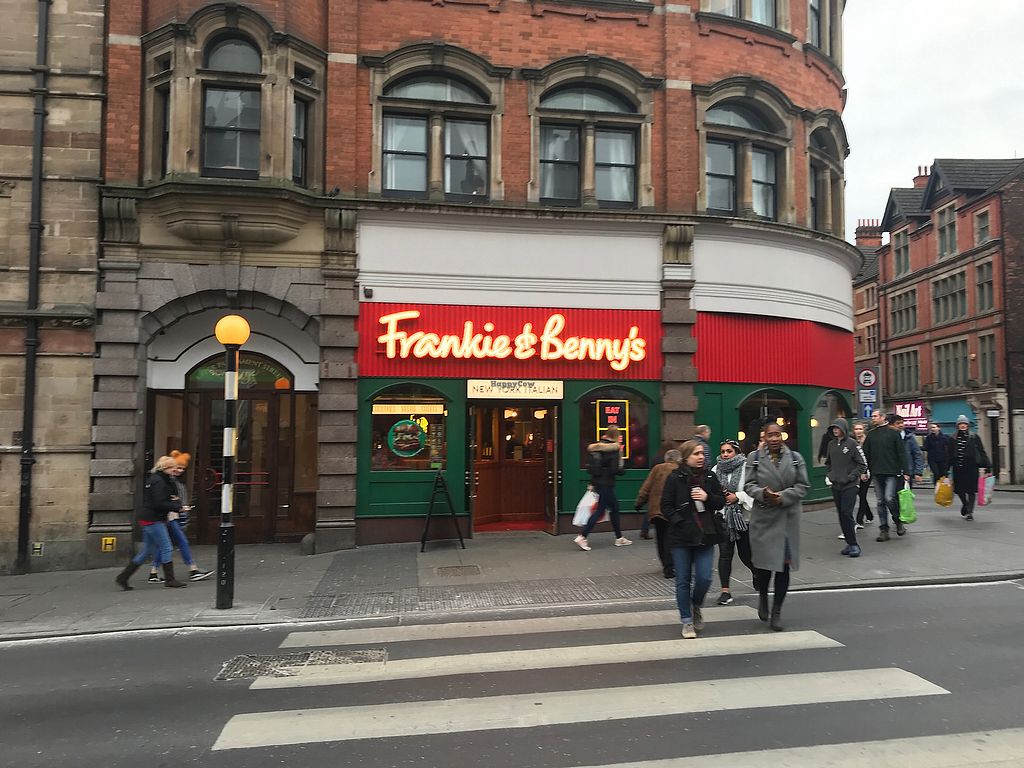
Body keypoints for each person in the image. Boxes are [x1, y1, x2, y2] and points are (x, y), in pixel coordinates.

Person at [744, 423, 808, 631]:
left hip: (787, 519)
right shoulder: (754, 458)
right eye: (770, 435)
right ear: (764, 437)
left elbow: (803, 486)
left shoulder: (796, 458)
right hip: (764, 519)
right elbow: (748, 485)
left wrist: (782, 497)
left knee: (783, 567)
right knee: (763, 567)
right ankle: (763, 596)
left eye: (777, 435)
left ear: (782, 436)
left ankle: (777, 611)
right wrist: (763, 494)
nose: (774, 438)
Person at [660, 440, 726, 639]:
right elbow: (666, 505)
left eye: (702, 453)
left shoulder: (710, 476)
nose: (701, 457)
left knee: (705, 578)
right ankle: (687, 620)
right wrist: (679, 521)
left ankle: (696, 605)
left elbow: (720, 501)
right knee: (683, 580)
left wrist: (707, 497)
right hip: (681, 537)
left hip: (706, 534)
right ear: (686, 457)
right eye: (696, 454)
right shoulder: (675, 478)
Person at [115, 455, 187, 590]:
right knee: (167, 547)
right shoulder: (159, 481)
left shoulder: (158, 479)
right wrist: (177, 507)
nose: (175, 470)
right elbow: (159, 503)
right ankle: (170, 579)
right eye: (173, 467)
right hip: (154, 519)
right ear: (166, 468)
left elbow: (165, 498)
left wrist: (174, 500)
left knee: (146, 551)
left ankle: (123, 577)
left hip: (148, 518)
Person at [146, 450, 212, 583]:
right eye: (177, 467)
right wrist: (178, 506)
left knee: (165, 545)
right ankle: (192, 570)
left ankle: (154, 572)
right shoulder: (165, 480)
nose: (179, 470)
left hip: (170, 515)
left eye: (182, 468)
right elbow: (166, 499)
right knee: (180, 542)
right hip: (169, 516)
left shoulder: (170, 479)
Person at [712, 439, 756, 605]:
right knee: (725, 555)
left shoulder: (747, 468)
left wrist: (738, 497)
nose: (725, 454)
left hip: (743, 519)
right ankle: (725, 591)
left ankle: (756, 573)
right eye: (723, 451)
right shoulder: (715, 469)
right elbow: (711, 493)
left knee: (746, 554)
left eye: (729, 451)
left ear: (736, 452)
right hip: (723, 518)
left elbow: (753, 491)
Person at [575, 425, 631, 551]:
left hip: (598, 482)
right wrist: (623, 470)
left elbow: (594, 468)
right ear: (616, 435)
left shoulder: (597, 447)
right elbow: (615, 469)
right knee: (600, 510)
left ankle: (619, 537)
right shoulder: (614, 449)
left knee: (614, 508)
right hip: (607, 483)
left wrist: (592, 482)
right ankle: (582, 536)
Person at [635, 449, 682, 578]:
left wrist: (639, 502)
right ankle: (671, 566)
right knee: (671, 538)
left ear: (666, 458)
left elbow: (646, 488)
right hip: (674, 511)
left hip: (657, 510)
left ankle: (666, 565)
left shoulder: (657, 469)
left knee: (661, 538)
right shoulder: (680, 470)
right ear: (679, 459)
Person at [863, 413, 910, 542]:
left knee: (889, 498)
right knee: (880, 501)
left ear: (883, 417)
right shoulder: (871, 434)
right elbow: (865, 454)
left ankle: (897, 520)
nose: (873, 418)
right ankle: (884, 529)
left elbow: (901, 453)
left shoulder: (893, 433)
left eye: (875, 416)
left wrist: (906, 471)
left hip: (891, 472)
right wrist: (864, 470)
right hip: (877, 472)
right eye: (872, 416)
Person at [825, 418, 868, 558]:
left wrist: (851, 476)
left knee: (846, 512)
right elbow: (828, 462)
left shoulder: (852, 444)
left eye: (837, 428)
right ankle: (849, 543)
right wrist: (830, 474)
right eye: (833, 428)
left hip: (850, 485)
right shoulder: (831, 444)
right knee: (841, 514)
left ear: (843, 428)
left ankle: (854, 544)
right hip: (836, 485)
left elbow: (862, 464)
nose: (835, 430)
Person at [948, 415, 991, 521]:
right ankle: (965, 504)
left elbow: (981, 451)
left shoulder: (974, 437)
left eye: (965, 424)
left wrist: (988, 465)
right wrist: (946, 469)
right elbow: (949, 454)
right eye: (961, 424)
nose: (963, 425)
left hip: (971, 468)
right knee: (960, 490)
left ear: (968, 425)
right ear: (957, 426)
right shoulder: (953, 438)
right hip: (958, 468)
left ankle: (970, 512)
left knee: (971, 491)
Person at [640, 440, 680, 539]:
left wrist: (639, 501)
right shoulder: (674, 466)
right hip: (666, 492)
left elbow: (647, 485)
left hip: (656, 492)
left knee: (653, 511)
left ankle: (644, 530)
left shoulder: (656, 459)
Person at [893, 417, 924, 488]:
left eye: (902, 423)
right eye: (898, 423)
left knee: (905, 493)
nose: (901, 425)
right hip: (892, 472)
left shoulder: (909, 438)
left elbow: (917, 454)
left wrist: (918, 473)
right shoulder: (889, 437)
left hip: (907, 473)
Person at [852, 423, 873, 527]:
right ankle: (869, 515)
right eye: (856, 429)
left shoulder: (868, 441)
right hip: (856, 471)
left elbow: (871, 457)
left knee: (862, 494)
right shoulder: (853, 442)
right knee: (860, 494)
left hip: (867, 472)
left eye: (860, 429)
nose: (858, 431)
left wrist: (865, 472)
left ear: (864, 430)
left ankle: (859, 520)